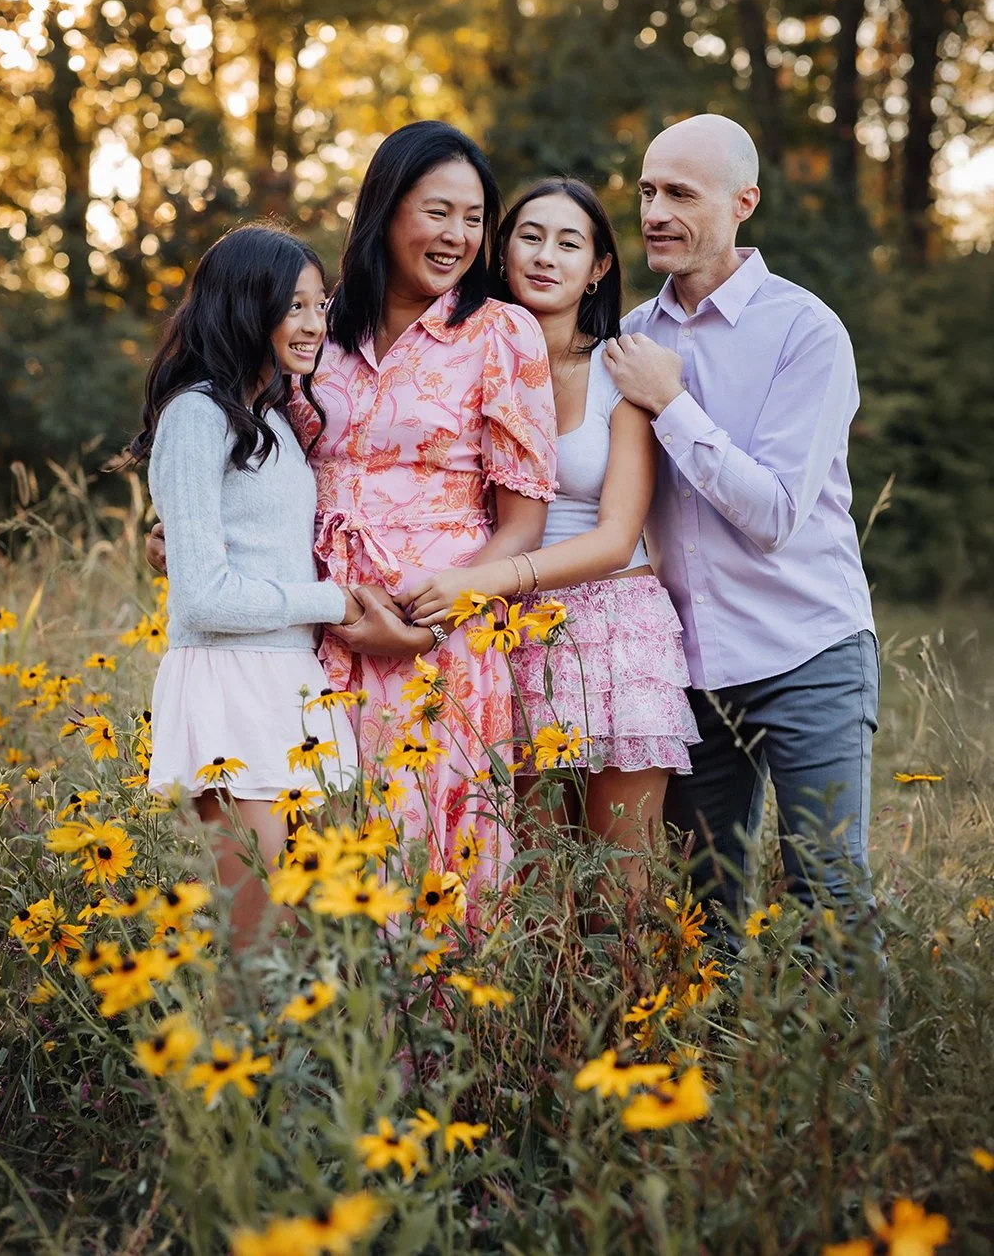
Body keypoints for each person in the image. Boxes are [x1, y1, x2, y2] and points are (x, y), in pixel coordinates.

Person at [603, 113, 878, 937]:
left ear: (742, 203)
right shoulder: (630, 339)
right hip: (687, 665)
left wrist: (673, 401)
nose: (655, 211)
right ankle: (718, 1067)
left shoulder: (806, 331)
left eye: (680, 193)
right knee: (699, 909)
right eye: (648, 191)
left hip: (808, 652)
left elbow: (775, 516)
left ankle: (852, 1069)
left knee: (825, 898)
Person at [402, 178, 698, 905]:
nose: (545, 256)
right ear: (502, 253)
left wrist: (482, 584)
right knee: (533, 882)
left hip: (612, 627)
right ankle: (547, 1025)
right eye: (530, 237)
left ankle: (636, 1020)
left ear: (598, 267)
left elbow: (616, 536)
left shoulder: (618, 371)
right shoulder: (457, 362)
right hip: (510, 632)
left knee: (621, 890)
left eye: (570, 243)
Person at [287, 122, 557, 911]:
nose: (458, 237)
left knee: (426, 859)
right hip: (314, 627)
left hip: (438, 636)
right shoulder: (318, 327)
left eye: (474, 219)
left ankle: (435, 1034)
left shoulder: (501, 333)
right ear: (386, 207)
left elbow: (522, 524)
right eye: (439, 212)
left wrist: (432, 619)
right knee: (320, 849)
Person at [132, 224, 362, 949]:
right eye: (292, 305)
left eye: (319, 306)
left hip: (291, 680)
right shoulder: (197, 415)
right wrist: (334, 602)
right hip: (230, 682)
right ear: (244, 306)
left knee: (303, 934)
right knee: (256, 935)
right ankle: (232, 1061)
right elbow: (204, 597)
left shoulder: (275, 418)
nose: (312, 324)